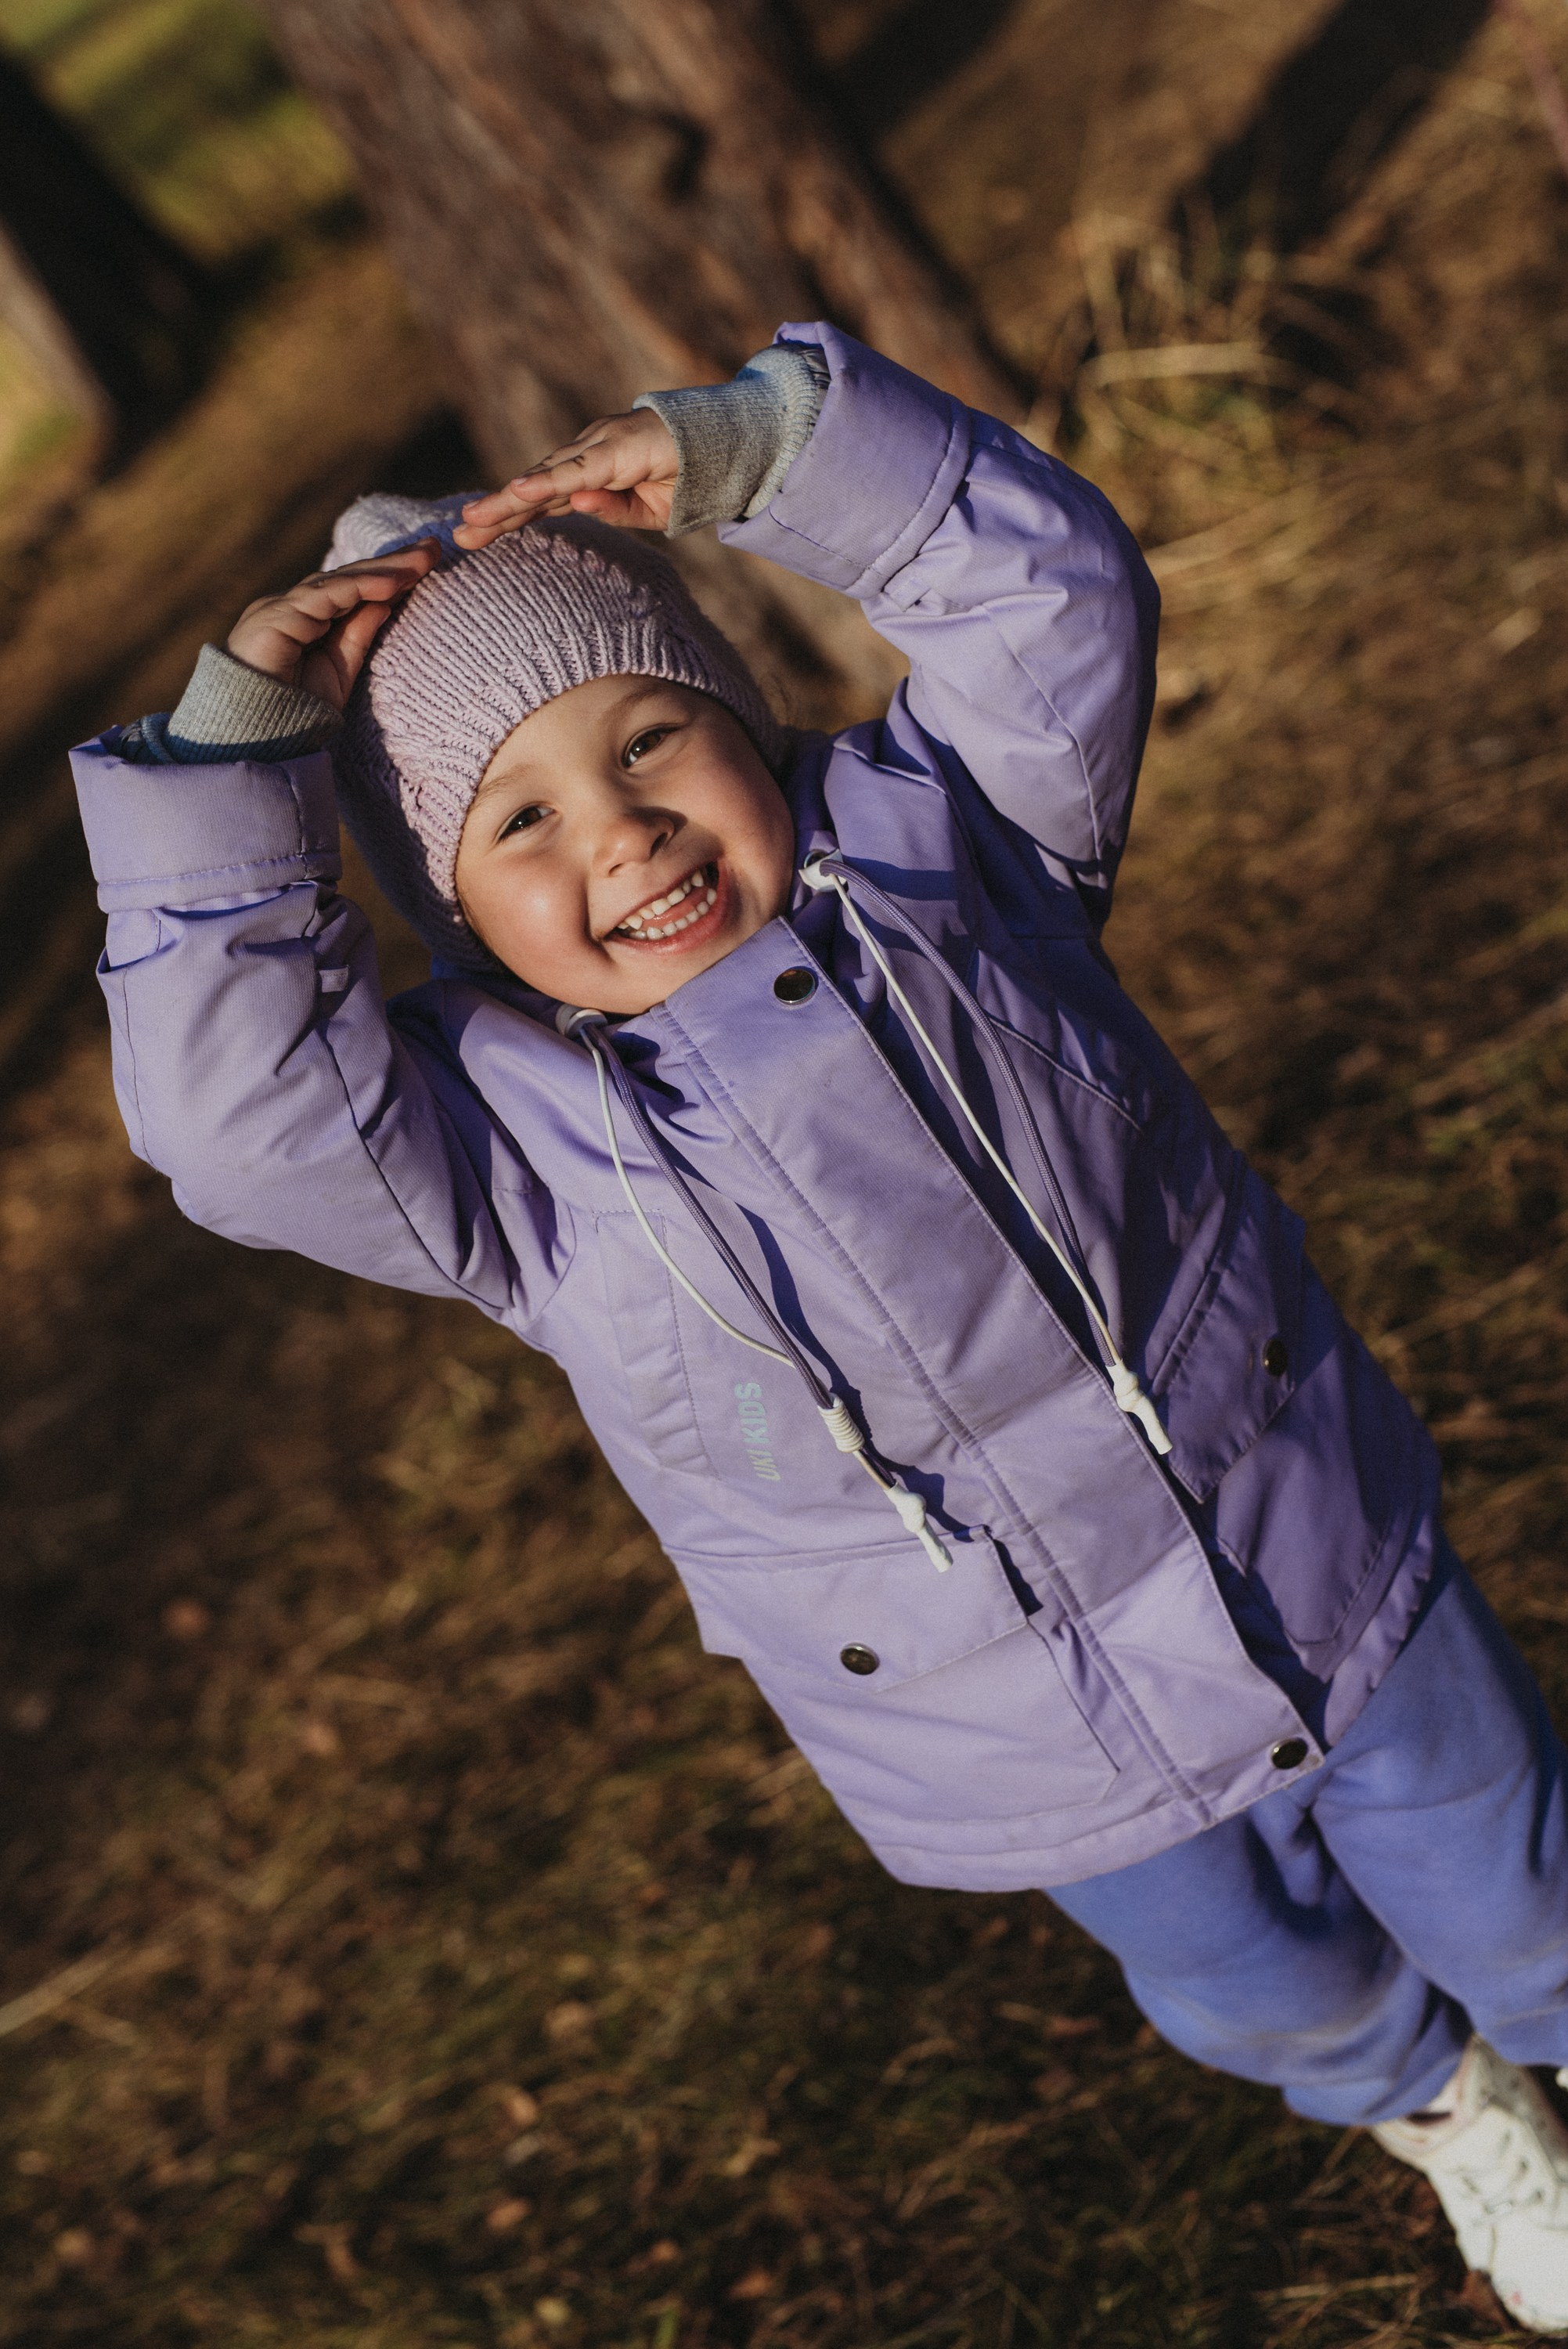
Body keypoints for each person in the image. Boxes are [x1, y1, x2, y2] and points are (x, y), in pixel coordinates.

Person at [71, 325, 1568, 2329]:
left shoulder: (957, 863)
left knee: (1514, 1858)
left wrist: (773, 446)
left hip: (1306, 1528)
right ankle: (1440, 2100)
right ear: (439, 904)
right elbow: (233, 1119)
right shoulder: (498, 1157)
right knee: (1254, 1979)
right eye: (516, 824)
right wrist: (239, 748)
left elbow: (1056, 598)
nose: (621, 833)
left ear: (744, 721)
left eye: (648, 741)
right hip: (1004, 1710)